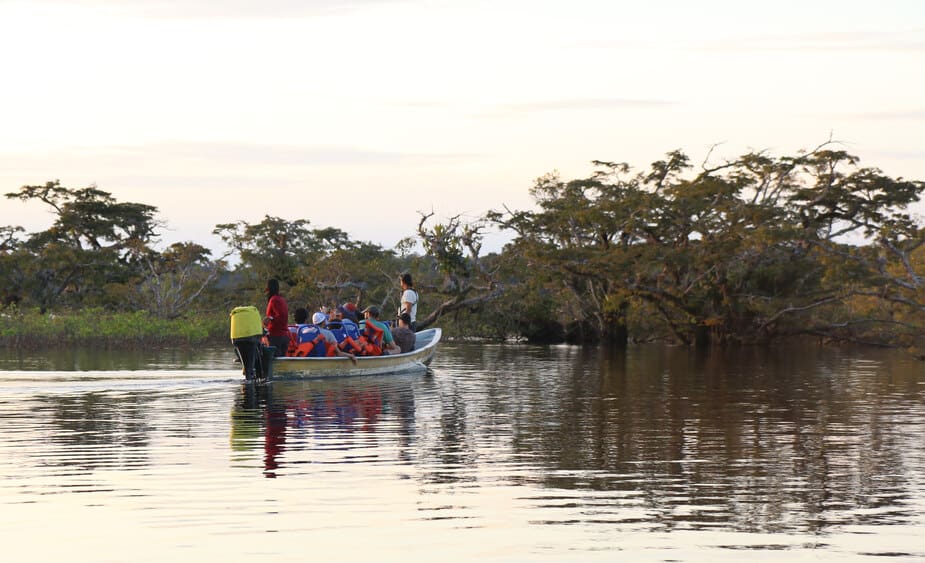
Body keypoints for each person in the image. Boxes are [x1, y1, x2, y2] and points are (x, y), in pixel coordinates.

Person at [263, 278, 289, 357]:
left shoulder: (274, 300)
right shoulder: (281, 299)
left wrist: (270, 319)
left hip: (276, 336)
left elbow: (281, 316)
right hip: (284, 336)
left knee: (275, 362)